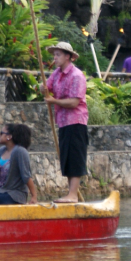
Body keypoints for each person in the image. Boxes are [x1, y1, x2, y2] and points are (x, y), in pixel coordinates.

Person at [44, 41, 89, 203]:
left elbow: (74, 103)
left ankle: (73, 194)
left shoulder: (77, 75)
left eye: (58, 55)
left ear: (68, 56)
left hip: (76, 121)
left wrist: (53, 100)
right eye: (54, 55)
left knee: (75, 157)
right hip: (63, 122)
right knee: (67, 157)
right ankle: (72, 194)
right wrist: (43, 90)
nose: (55, 58)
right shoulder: (56, 74)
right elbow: (47, 88)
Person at [0, 123, 37, 205]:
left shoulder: (20, 151)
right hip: (0, 190)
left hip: (14, 193)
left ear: (9, 136)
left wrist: (34, 196)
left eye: (1, 133)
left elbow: (26, 176)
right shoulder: (2, 150)